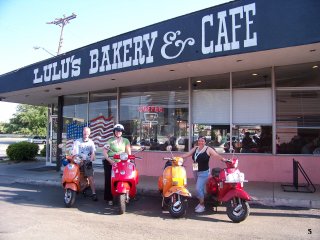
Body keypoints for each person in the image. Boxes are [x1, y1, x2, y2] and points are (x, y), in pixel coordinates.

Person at [180, 136, 225, 213]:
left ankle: (202, 205)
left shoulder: (208, 149)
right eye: (199, 141)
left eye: (202, 141)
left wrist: (224, 159)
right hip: (195, 170)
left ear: (205, 142)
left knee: (198, 188)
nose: (200, 142)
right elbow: (187, 154)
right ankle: (200, 202)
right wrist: (178, 158)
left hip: (204, 172)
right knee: (199, 188)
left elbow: (216, 155)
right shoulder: (195, 148)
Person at [102, 124, 131, 205]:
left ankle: (128, 194)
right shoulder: (110, 141)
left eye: (120, 131)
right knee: (109, 179)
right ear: (114, 131)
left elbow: (129, 152)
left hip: (121, 162)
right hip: (111, 162)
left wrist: (128, 160)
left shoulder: (126, 140)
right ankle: (109, 198)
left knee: (125, 176)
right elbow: (104, 151)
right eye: (117, 130)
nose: (118, 132)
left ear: (122, 132)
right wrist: (109, 160)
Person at [72, 127, 98, 201]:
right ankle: (74, 188)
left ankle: (94, 193)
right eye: (84, 132)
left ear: (89, 133)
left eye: (87, 132)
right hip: (78, 161)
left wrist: (91, 158)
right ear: (82, 132)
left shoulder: (91, 142)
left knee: (90, 177)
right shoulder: (77, 141)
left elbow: (93, 152)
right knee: (75, 174)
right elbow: (75, 152)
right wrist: (78, 158)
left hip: (87, 161)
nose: (86, 133)